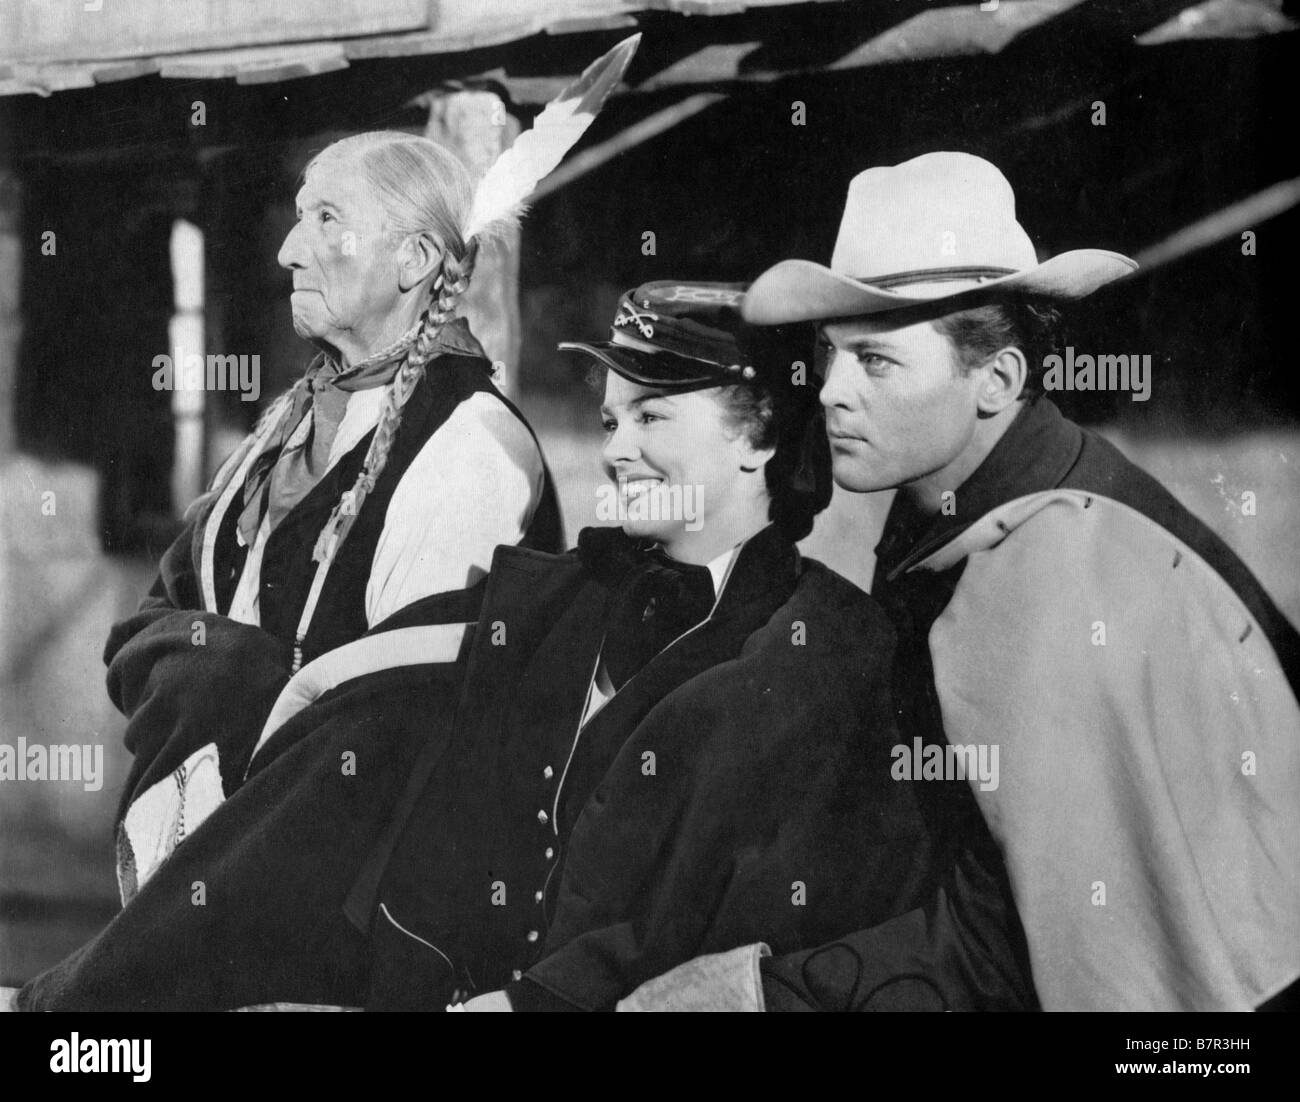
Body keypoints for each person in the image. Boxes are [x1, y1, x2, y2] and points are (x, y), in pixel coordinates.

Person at [629, 152, 1300, 1011]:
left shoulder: (1055, 566)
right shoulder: (960, 502)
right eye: (829, 354)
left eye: (877, 363)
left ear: (998, 380)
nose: (831, 392)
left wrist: (757, 996)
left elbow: (1020, 945)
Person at [15, 131, 564, 1010]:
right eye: (297, 214)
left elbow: (386, 741)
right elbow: (153, 622)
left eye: (326, 219)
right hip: (217, 885)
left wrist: (232, 681)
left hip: (354, 937)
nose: (286, 248)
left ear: (414, 259)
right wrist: (238, 677)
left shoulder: (472, 452)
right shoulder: (284, 428)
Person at [357, 281, 1001, 1012]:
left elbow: (752, 942)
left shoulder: (836, 661)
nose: (615, 452)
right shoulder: (558, 597)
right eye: (610, 421)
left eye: (652, 416)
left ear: (757, 438)